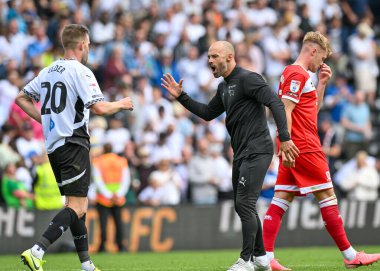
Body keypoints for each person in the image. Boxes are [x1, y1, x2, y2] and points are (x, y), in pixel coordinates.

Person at [161, 40, 299, 271]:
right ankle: (262, 257)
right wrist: (182, 96)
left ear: (229, 57)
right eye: (208, 57)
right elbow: (207, 113)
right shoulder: (224, 87)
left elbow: (274, 102)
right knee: (242, 205)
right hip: (241, 153)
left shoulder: (249, 79)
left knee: (245, 203)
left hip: (258, 150)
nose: (210, 61)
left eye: (214, 56)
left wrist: (284, 137)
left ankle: (246, 261)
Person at [15, 24, 133, 271]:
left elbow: (22, 98)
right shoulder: (81, 71)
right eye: (88, 44)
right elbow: (99, 108)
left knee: (79, 205)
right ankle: (37, 250)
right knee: (76, 206)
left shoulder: (47, 71)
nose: (88, 48)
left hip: (54, 146)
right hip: (74, 142)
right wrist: (121, 103)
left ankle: (87, 264)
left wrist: (44, 121)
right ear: (81, 45)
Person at [261, 31, 380, 271]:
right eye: (322, 57)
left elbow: (311, 111)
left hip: (294, 143)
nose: (322, 63)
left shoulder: (301, 75)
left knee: (281, 199)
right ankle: (350, 255)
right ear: (313, 50)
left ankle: (266, 258)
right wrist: (286, 140)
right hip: (302, 145)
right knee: (327, 196)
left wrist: (322, 84)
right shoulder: (296, 73)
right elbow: (285, 109)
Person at [92, 143, 131, 252]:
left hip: (103, 198)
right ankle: (121, 246)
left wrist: (108, 194)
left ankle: (102, 247)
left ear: (104, 149)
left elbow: (98, 180)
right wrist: (118, 194)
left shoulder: (98, 161)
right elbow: (126, 179)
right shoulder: (121, 161)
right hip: (118, 198)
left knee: (103, 224)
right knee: (119, 223)